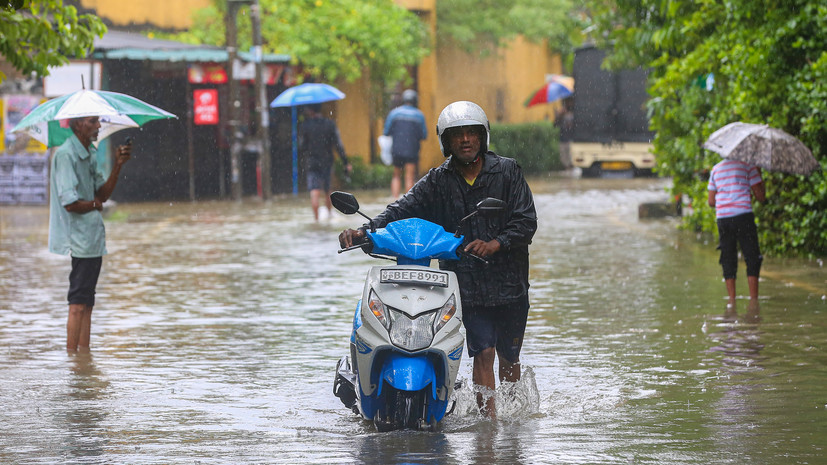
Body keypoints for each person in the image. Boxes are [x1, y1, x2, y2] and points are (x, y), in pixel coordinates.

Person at [339, 101, 537, 418]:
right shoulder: (438, 180)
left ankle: (512, 423)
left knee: (509, 357)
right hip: (467, 283)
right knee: (483, 353)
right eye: (457, 134)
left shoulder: (508, 171)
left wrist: (496, 243)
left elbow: (526, 222)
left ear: (482, 136)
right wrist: (364, 230)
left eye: (471, 133)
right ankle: (489, 429)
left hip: (510, 282)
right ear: (447, 141)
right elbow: (400, 210)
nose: (465, 140)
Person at [48, 116, 132, 351]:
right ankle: (72, 360)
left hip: (93, 237)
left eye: (98, 122)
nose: (98, 127)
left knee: (87, 302)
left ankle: (83, 359)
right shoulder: (66, 155)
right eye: (92, 122)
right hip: (79, 238)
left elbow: (102, 195)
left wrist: (117, 165)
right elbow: (70, 203)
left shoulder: (90, 153)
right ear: (77, 125)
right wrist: (94, 205)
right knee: (77, 303)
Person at [707, 158, 766, 321]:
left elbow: (711, 201)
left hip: (724, 219)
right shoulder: (749, 167)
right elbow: (760, 196)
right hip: (743, 216)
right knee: (752, 256)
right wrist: (759, 175)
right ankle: (753, 301)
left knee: (728, 257)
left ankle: (732, 302)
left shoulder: (716, 169)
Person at [299, 103, 352, 220]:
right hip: (327, 161)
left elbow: (302, 146)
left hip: (312, 161)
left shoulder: (306, 125)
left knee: (314, 190)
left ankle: (316, 219)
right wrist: (345, 162)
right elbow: (338, 145)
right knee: (328, 189)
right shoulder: (329, 124)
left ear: (310, 110)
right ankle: (329, 214)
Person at [384, 89, 427, 198]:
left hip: (397, 149)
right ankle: (407, 201)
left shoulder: (394, 113)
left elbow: (386, 132)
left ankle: (394, 200)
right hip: (412, 150)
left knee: (396, 175)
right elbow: (424, 135)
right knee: (409, 177)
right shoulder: (419, 115)